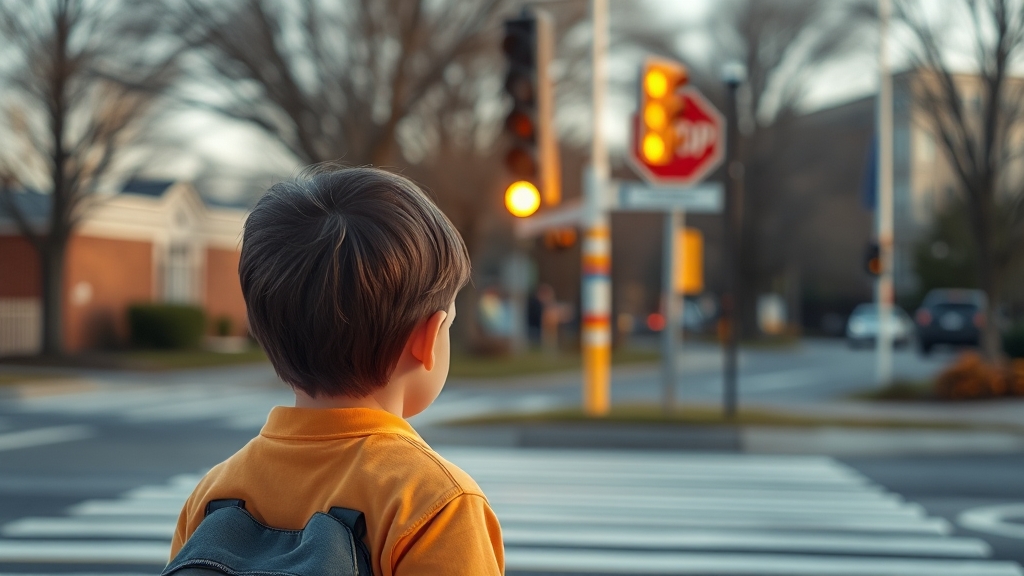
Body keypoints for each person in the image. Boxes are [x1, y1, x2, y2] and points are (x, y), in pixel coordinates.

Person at [168, 167, 504, 575]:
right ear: (427, 338)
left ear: (263, 329)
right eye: (448, 323)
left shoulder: (213, 494)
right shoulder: (433, 503)